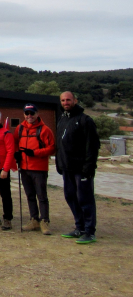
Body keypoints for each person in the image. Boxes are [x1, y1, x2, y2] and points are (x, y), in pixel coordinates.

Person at [57, 91, 100, 244]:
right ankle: (79, 228)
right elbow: (60, 145)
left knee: (85, 199)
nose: (65, 102)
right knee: (70, 197)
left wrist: (89, 167)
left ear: (75, 100)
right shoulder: (62, 119)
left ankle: (89, 231)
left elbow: (92, 145)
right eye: (63, 100)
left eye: (68, 100)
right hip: (67, 168)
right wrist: (59, 164)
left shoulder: (85, 120)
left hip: (81, 169)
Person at [14, 103, 56, 235]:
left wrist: (35, 153)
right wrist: (16, 154)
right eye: (27, 113)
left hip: (39, 168)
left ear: (37, 114)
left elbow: (52, 148)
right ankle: (34, 220)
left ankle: (45, 221)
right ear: (24, 115)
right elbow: (15, 143)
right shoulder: (20, 128)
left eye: (32, 113)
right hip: (24, 168)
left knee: (41, 196)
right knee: (30, 195)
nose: (29, 116)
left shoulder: (44, 130)